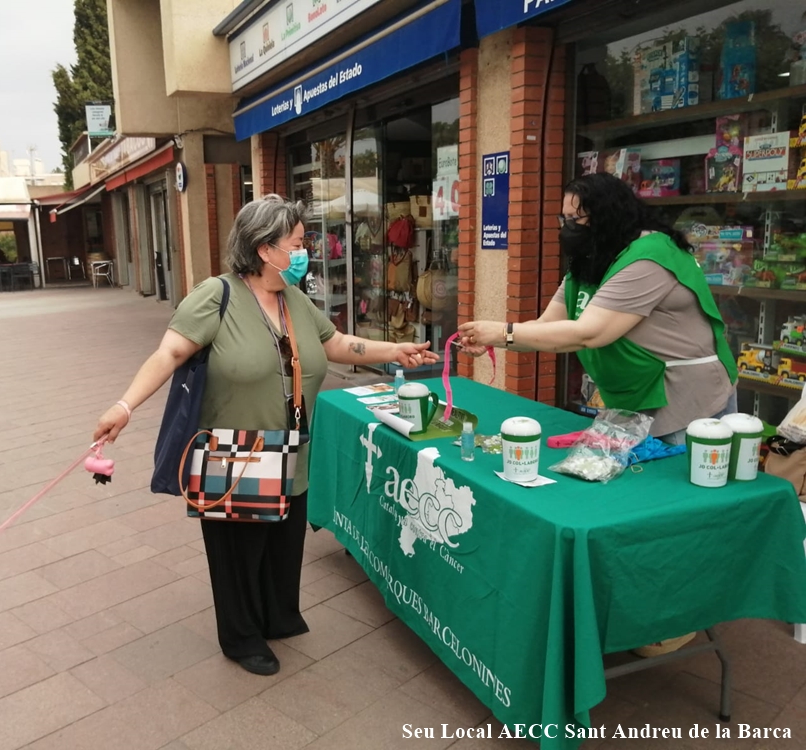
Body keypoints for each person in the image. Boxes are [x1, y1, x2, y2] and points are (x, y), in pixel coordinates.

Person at [92, 194, 439, 676]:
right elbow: (169, 353)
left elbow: (336, 343)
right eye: (296, 243)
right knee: (239, 552)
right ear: (264, 248)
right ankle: (241, 637)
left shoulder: (295, 300)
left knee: (282, 543)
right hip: (235, 457)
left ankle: (277, 616)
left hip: (292, 452)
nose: (304, 252)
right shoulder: (216, 296)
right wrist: (124, 405)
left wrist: (394, 351)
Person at [458, 172, 737, 445]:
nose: (568, 227)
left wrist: (503, 333)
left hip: (685, 403)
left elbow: (589, 333)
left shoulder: (649, 258)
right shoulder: (593, 261)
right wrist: (493, 338)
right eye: (564, 219)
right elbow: (545, 326)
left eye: (576, 219)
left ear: (607, 216)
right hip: (635, 399)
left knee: (674, 475)